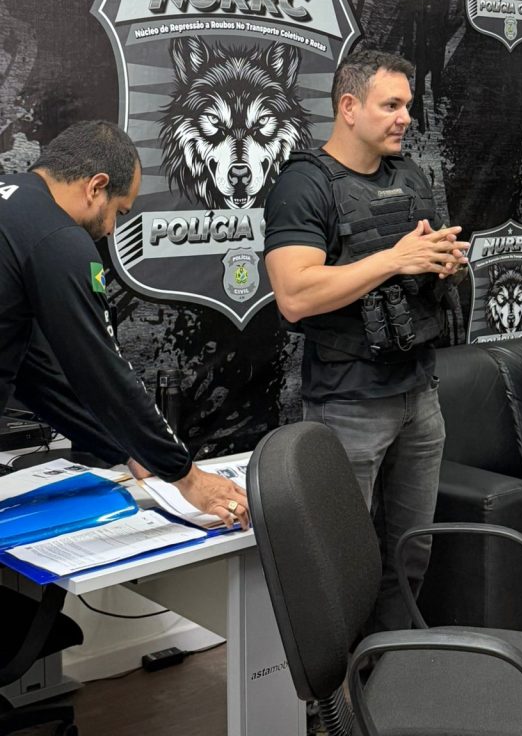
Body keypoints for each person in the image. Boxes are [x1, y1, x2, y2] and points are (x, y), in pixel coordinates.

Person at [264, 48, 467, 630]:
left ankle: (391, 669)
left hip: (420, 396)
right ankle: (338, 686)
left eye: (408, 104)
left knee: (411, 555)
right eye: (391, 105)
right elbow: (295, 294)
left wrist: (444, 265)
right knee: (342, 563)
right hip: (349, 402)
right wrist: (394, 259)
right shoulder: (304, 184)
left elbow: (420, 267)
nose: (406, 117)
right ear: (349, 107)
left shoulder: (410, 175)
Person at [0, 120, 249, 526]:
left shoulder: (15, 211)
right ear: (96, 187)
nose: (111, 229)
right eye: (118, 211)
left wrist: (128, 449)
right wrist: (186, 476)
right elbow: (101, 372)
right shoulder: (56, 235)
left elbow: (34, 372)